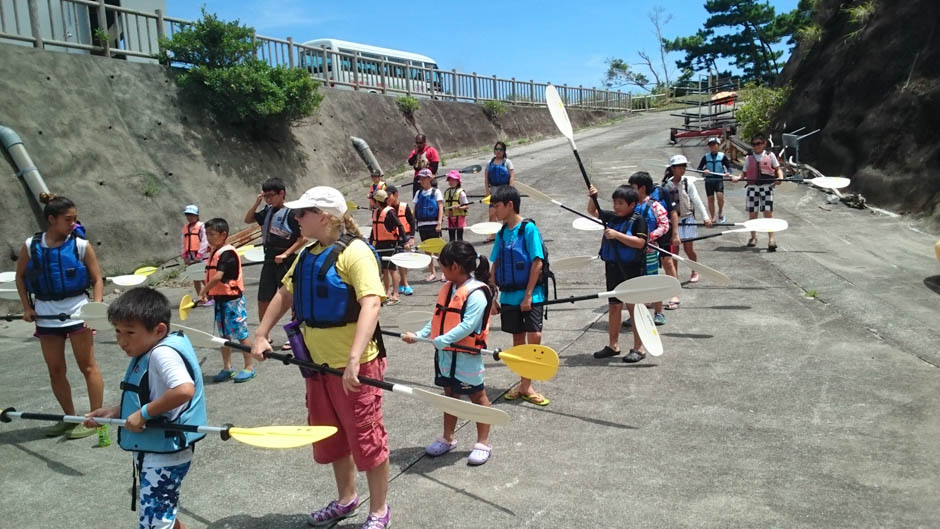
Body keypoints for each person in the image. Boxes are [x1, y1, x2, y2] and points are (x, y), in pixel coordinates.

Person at [250, 186, 391, 529]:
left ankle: (379, 510)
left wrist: (355, 358)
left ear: (324, 217)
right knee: (330, 435)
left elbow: (371, 302)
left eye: (302, 213)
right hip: (317, 367)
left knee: (366, 439)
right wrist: (261, 334)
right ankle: (346, 499)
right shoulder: (307, 254)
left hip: (354, 367)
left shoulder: (354, 253)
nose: (295, 218)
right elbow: (285, 294)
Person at [84, 287, 206, 529]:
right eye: (117, 332)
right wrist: (114, 411)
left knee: (154, 523)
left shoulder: (162, 355)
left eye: (130, 332)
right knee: (162, 513)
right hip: (157, 449)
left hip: (166, 455)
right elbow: (150, 393)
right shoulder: (153, 348)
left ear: (159, 330)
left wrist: (144, 413)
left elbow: (184, 389)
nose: (122, 341)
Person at [14, 193, 105, 440]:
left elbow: (97, 279)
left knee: (87, 366)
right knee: (55, 369)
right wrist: (26, 307)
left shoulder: (80, 245)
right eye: (68, 220)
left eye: (75, 219)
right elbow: (20, 277)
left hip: (78, 313)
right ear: (51, 219)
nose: (73, 225)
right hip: (46, 315)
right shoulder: (31, 246)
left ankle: (95, 419)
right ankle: (69, 418)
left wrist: (96, 309)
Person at [401, 240, 495, 465]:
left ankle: (483, 442)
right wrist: (419, 335)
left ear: (454, 266)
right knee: (450, 395)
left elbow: (469, 325)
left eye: (443, 265)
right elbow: (436, 320)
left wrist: (443, 340)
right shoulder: (447, 289)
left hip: (466, 356)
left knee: (477, 396)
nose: (440, 269)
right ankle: (447, 438)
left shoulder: (477, 293)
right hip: (445, 355)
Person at [488, 185, 549, 406]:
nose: (494, 211)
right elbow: (494, 265)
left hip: (531, 296)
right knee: (517, 340)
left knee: (535, 337)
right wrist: (493, 297)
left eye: (497, 206)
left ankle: (527, 385)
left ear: (510, 205)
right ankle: (523, 384)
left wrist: (528, 295)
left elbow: (537, 262)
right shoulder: (502, 233)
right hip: (508, 297)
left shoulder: (528, 229)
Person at [586, 185, 649, 362]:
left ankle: (639, 347)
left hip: (631, 269)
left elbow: (640, 243)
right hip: (613, 268)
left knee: (634, 308)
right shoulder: (612, 217)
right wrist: (593, 197)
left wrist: (617, 235)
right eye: (615, 202)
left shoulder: (639, 220)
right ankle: (613, 345)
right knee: (614, 306)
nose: (616, 206)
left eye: (621, 203)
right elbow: (592, 211)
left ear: (632, 204)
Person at [243, 177, 307, 349]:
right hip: (270, 259)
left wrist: (286, 254)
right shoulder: (267, 211)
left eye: (271, 195)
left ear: (282, 193)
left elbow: (303, 238)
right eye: (266, 196)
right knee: (263, 299)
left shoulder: (292, 213)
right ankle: (265, 334)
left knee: (291, 299)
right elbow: (248, 220)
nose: (268, 199)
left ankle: (294, 335)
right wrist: (257, 203)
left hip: (286, 260)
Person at [198, 218, 255, 383]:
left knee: (241, 334)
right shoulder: (214, 252)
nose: (209, 237)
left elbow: (218, 276)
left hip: (233, 301)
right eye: (206, 234)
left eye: (212, 234)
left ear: (223, 235)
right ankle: (227, 368)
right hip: (220, 300)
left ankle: (249, 366)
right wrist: (209, 293)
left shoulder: (228, 253)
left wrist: (203, 290)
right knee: (223, 336)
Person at [627, 171, 670, 325]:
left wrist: (650, 236)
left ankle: (658, 312)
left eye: (633, 186)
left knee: (653, 281)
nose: (630, 190)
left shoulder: (655, 205)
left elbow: (665, 225)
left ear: (642, 188)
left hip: (650, 250)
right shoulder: (630, 206)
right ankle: (636, 313)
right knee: (635, 282)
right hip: (632, 251)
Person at [663, 155, 712, 287]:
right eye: (679, 167)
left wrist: (706, 217)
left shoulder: (687, 182)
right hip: (674, 222)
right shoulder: (666, 186)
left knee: (689, 248)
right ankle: (675, 276)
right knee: (675, 251)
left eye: (684, 167)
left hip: (688, 219)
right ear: (672, 169)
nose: (682, 169)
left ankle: (694, 271)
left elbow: (696, 200)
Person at [732, 133, 783, 251]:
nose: (756, 146)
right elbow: (743, 173)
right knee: (753, 214)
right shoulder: (749, 158)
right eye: (754, 144)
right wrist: (738, 178)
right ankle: (753, 237)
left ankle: (771, 239)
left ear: (764, 143)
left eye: (759, 144)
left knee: (768, 213)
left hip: (766, 187)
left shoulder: (770, 156)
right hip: (752, 188)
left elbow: (778, 169)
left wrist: (780, 177)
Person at [369, 189, 406, 306]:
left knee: (392, 269)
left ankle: (396, 294)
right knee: (384, 270)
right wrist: (370, 243)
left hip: (391, 243)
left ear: (377, 201)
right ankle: (387, 293)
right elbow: (373, 229)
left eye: (372, 199)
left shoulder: (389, 213)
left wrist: (404, 241)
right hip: (380, 244)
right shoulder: (376, 212)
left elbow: (400, 226)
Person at [412, 168, 444, 281]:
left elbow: (440, 208)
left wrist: (439, 223)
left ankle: (444, 272)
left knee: (437, 250)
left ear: (429, 179)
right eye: (420, 178)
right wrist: (413, 224)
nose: (421, 180)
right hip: (422, 225)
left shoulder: (436, 192)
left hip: (434, 224)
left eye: (423, 178)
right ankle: (432, 272)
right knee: (427, 250)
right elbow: (414, 209)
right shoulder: (418, 193)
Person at [483, 141, 514, 242]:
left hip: (504, 190)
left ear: (504, 151)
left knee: (505, 214)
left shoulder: (507, 162)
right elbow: (486, 178)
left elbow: (512, 177)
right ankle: (492, 235)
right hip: (494, 191)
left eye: (500, 149)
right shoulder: (489, 163)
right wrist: (487, 191)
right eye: (496, 149)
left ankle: (506, 234)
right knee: (492, 213)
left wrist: (510, 190)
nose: (498, 151)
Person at [387, 186, 415, 296]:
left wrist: (411, 237)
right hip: (394, 238)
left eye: (389, 196)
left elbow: (412, 222)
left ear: (396, 195)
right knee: (399, 262)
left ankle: (403, 283)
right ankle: (405, 284)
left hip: (406, 237)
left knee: (404, 261)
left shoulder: (404, 206)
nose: (387, 199)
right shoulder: (388, 209)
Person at [698, 137, 731, 224]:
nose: (712, 147)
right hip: (709, 180)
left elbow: (728, 167)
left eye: (714, 145)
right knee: (710, 199)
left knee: (720, 197)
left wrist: (728, 172)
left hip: (718, 179)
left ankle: (720, 211)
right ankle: (713, 217)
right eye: (710, 145)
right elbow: (699, 168)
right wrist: (704, 171)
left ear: (718, 145)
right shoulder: (706, 157)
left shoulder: (722, 156)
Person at [180, 204, 209, 305]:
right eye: (188, 215)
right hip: (190, 256)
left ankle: (210, 295)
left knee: (202, 277)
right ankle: (201, 297)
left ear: (197, 215)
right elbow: (183, 243)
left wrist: (199, 255)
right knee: (195, 277)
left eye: (192, 215)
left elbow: (205, 241)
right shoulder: (185, 228)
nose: (189, 217)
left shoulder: (201, 226)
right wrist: (184, 256)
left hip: (199, 256)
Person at [443, 169, 469, 241]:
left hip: (459, 217)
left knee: (459, 238)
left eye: (453, 180)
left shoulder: (461, 193)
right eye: (450, 180)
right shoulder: (447, 192)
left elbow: (466, 206)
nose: (451, 182)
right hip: (450, 218)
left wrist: (459, 207)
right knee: (451, 239)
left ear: (458, 181)